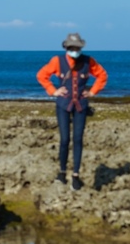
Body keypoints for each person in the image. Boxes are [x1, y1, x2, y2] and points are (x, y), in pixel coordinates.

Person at [36, 33, 108, 190]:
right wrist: (53, 91)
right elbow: (42, 75)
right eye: (72, 48)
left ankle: (75, 175)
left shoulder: (89, 61)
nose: (75, 50)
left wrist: (93, 92)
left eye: (77, 48)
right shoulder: (57, 61)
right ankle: (62, 172)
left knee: (78, 139)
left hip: (81, 105)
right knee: (64, 139)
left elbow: (102, 76)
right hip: (63, 104)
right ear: (67, 48)